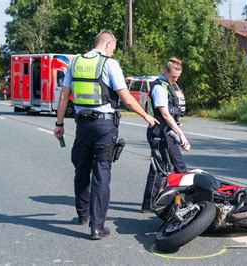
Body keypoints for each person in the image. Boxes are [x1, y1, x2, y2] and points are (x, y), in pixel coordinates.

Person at [53, 30, 158, 240]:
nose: (113, 52)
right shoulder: (110, 64)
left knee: (81, 169)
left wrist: (59, 123)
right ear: (108, 44)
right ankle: (97, 227)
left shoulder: (75, 62)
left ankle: (82, 215)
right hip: (104, 126)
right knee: (101, 173)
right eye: (114, 48)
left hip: (82, 126)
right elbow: (126, 99)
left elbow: (65, 96)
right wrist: (146, 115)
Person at [141, 57, 190, 212]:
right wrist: (180, 133)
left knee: (158, 168)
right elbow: (165, 114)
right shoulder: (160, 88)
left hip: (165, 133)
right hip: (160, 133)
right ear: (166, 71)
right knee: (174, 167)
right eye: (174, 76)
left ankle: (149, 204)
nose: (176, 79)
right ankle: (176, 203)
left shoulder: (169, 85)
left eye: (178, 77)